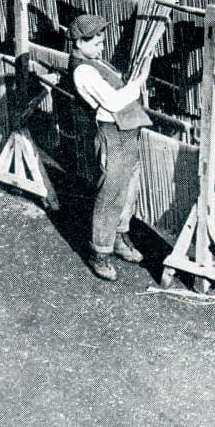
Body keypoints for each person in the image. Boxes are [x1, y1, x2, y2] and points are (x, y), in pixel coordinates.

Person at [67, 14, 152, 282]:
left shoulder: (95, 61)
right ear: (79, 43)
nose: (102, 48)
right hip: (111, 132)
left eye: (102, 42)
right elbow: (114, 102)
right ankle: (99, 250)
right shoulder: (83, 70)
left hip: (128, 128)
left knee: (130, 186)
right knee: (110, 192)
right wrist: (138, 83)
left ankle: (119, 236)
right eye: (96, 43)